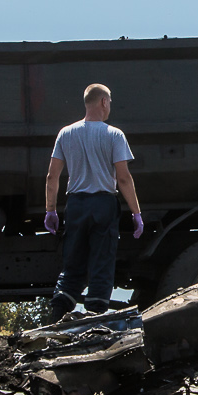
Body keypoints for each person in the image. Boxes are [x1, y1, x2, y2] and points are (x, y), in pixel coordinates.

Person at [42, 83, 144, 322]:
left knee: (72, 264)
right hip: (103, 205)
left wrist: (50, 210)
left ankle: (56, 319)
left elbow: (52, 176)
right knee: (101, 263)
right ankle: (94, 322)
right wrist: (136, 213)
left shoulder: (65, 133)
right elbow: (123, 178)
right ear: (103, 102)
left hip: (75, 205)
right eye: (110, 102)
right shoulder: (114, 134)